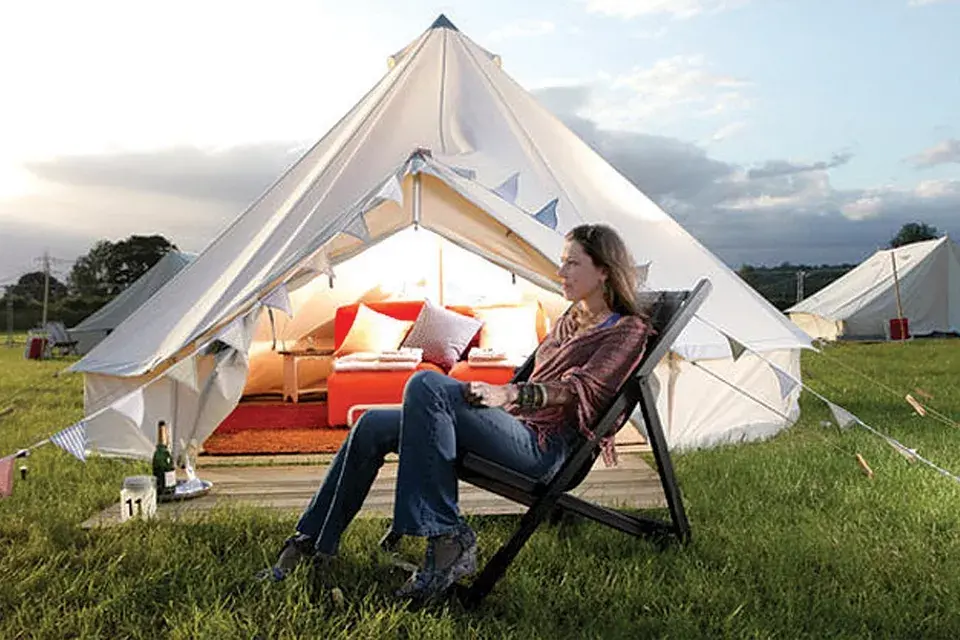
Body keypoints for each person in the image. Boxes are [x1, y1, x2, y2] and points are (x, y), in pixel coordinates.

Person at [256, 223, 652, 601]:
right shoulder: (572, 318)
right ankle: (312, 540)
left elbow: (579, 391)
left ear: (603, 271)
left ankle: (447, 537)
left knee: (428, 384)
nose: (560, 271)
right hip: (513, 428)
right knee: (373, 423)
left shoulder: (628, 330)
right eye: (562, 261)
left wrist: (506, 393)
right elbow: (533, 373)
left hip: (545, 450)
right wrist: (496, 399)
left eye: (572, 263)